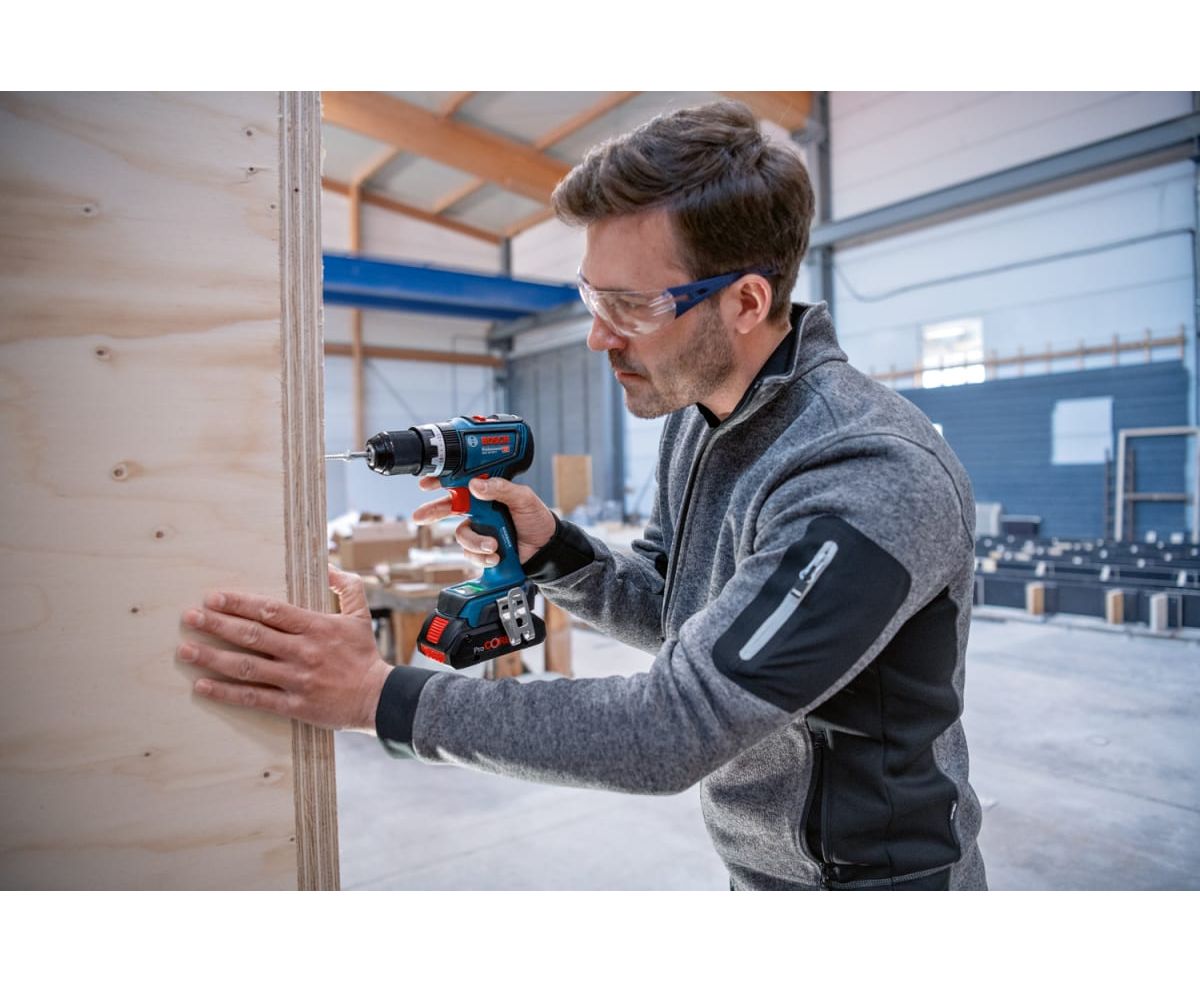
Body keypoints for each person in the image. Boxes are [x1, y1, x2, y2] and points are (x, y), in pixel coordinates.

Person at [179, 100, 987, 890]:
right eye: (594, 299)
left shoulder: (866, 475)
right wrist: (556, 553)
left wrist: (376, 696)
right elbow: (679, 616)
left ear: (745, 302)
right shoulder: (701, 418)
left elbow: (674, 728)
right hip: (761, 873)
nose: (600, 335)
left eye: (632, 306)